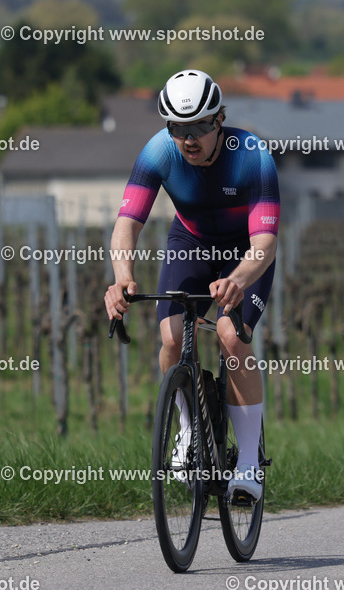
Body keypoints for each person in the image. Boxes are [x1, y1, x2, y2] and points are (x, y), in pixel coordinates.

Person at [104, 69, 279, 501]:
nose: (189, 138)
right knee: (170, 336)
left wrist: (237, 280)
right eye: (178, 128)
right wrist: (121, 278)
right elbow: (127, 224)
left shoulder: (252, 154)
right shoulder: (158, 152)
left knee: (229, 336)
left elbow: (266, 242)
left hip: (246, 253)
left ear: (220, 119)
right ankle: (188, 432)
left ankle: (250, 466)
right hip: (191, 243)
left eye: (200, 125)